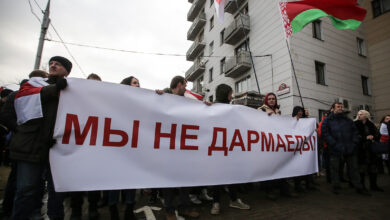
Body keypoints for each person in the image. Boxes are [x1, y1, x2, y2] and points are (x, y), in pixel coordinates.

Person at [9, 56, 72, 219]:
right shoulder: (35, 83)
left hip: (57, 148)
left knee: (57, 191)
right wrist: (54, 89)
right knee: (26, 189)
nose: (53, 65)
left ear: (67, 71)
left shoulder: (71, 90)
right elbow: (24, 100)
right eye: (51, 63)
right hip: (31, 145)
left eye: (58, 64)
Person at [0, 70, 48, 219]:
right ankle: (10, 211)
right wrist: (21, 130)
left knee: (35, 186)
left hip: (37, 147)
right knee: (21, 186)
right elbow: (6, 117)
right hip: (23, 146)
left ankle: (32, 213)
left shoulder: (44, 95)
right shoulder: (17, 95)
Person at [160, 76, 200, 220]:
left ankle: (184, 208)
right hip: (168, 148)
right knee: (169, 181)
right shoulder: (163, 97)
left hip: (183, 148)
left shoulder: (186, 101)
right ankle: (169, 210)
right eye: (185, 84)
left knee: (185, 179)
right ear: (179, 84)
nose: (186, 87)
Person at [209, 84, 250, 215]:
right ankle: (216, 202)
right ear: (225, 94)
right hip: (217, 148)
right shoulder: (211, 108)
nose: (232, 96)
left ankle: (233, 199)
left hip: (231, 147)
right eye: (230, 94)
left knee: (231, 174)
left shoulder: (232, 109)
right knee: (217, 176)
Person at [106, 76, 140, 220]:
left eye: (139, 83)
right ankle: (113, 211)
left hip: (133, 150)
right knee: (115, 181)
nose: (138, 85)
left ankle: (129, 211)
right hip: (116, 149)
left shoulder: (143, 103)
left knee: (131, 180)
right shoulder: (116, 101)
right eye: (135, 82)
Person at [70, 74, 103, 220]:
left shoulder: (104, 103)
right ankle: (76, 210)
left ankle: (93, 208)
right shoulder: (75, 100)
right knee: (76, 182)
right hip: (77, 148)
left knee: (93, 182)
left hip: (95, 150)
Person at [321, 101, 370, 195]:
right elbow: (325, 134)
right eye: (338, 106)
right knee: (335, 168)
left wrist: (354, 143)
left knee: (354, 168)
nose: (340, 108)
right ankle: (336, 186)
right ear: (333, 108)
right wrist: (334, 144)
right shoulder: (328, 120)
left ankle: (358, 187)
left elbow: (355, 132)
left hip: (349, 148)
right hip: (335, 149)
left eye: (341, 106)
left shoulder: (347, 120)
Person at [258, 93, 296, 200]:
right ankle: (269, 191)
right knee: (269, 168)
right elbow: (256, 123)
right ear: (266, 100)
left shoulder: (278, 112)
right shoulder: (261, 110)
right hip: (268, 144)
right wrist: (265, 117)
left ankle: (284, 190)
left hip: (278, 145)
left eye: (273, 99)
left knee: (281, 167)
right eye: (269, 99)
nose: (271, 100)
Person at [354, 110, 383, 192]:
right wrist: (365, 137)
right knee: (361, 169)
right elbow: (354, 136)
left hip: (371, 149)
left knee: (373, 168)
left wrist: (373, 136)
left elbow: (378, 134)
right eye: (358, 114)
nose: (359, 115)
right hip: (360, 149)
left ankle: (373, 185)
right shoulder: (355, 124)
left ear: (366, 115)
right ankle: (361, 187)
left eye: (361, 114)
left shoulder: (371, 124)